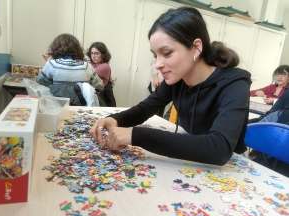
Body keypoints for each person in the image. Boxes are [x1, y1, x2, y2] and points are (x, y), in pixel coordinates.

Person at [89, 7, 251, 166]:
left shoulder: (235, 83)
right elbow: (145, 109)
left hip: (231, 165)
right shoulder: (178, 78)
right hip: (193, 158)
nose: (158, 64)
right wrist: (114, 119)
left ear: (196, 48)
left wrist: (136, 135)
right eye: (155, 56)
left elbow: (219, 148)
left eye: (166, 53)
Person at [37, 34, 104, 106]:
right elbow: (100, 86)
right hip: (81, 110)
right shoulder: (87, 66)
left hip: (58, 107)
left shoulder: (52, 65)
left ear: (55, 48)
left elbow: (40, 86)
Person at [86, 42, 116, 107]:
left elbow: (85, 73)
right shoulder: (90, 64)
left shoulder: (105, 67)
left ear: (103, 54)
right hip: (91, 96)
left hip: (100, 99)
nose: (93, 56)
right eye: (92, 53)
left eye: (96, 53)